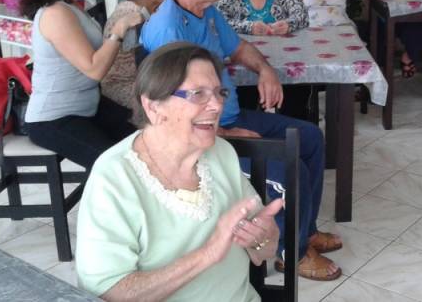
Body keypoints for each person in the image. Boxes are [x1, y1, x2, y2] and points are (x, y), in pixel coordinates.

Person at [141, 0, 342, 281]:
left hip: (228, 118)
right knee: (291, 171)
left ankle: (304, 231)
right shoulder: (167, 30)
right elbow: (172, 115)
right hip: (202, 138)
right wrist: (225, 134)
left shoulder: (207, 13)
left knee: (309, 137)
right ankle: (289, 254)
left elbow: (238, 48)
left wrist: (265, 69)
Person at [76, 42, 283, 301]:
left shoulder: (221, 153)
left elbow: (264, 247)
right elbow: (107, 292)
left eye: (220, 93)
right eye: (198, 94)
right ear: (153, 107)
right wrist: (207, 254)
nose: (216, 106)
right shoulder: (114, 178)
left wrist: (263, 237)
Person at [21, 0, 141, 169]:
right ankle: (108, 204)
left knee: (143, 141)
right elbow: (95, 69)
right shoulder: (55, 14)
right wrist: (118, 31)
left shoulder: (66, 3)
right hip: (55, 119)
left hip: (88, 106)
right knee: (114, 166)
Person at [217, 0, 310, 119]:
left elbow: (302, 17)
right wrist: (248, 26)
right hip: (247, 62)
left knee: (296, 94)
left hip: (283, 60)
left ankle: (292, 133)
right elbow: (220, 21)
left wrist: (288, 24)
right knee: (245, 100)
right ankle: (253, 134)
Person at [101, 0, 168, 110]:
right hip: (122, 85)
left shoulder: (145, 10)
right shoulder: (132, 15)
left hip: (139, 81)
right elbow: (144, 59)